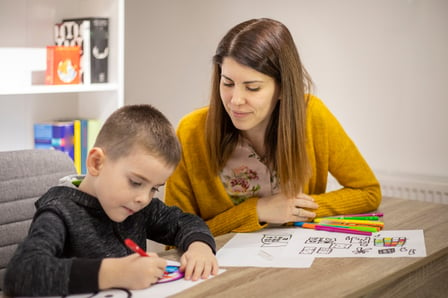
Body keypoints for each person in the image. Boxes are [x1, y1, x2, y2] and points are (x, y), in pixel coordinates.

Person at [164, 18, 381, 237]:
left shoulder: (312, 115)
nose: (235, 100)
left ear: (283, 88)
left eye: (253, 88)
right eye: (227, 83)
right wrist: (259, 210)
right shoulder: (191, 131)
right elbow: (174, 236)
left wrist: (295, 209)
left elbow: (368, 192)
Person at [3, 105, 219, 297]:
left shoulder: (139, 207)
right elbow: (20, 274)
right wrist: (114, 273)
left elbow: (184, 221)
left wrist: (199, 247)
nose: (144, 198)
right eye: (136, 182)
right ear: (97, 162)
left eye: (154, 188)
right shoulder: (59, 211)